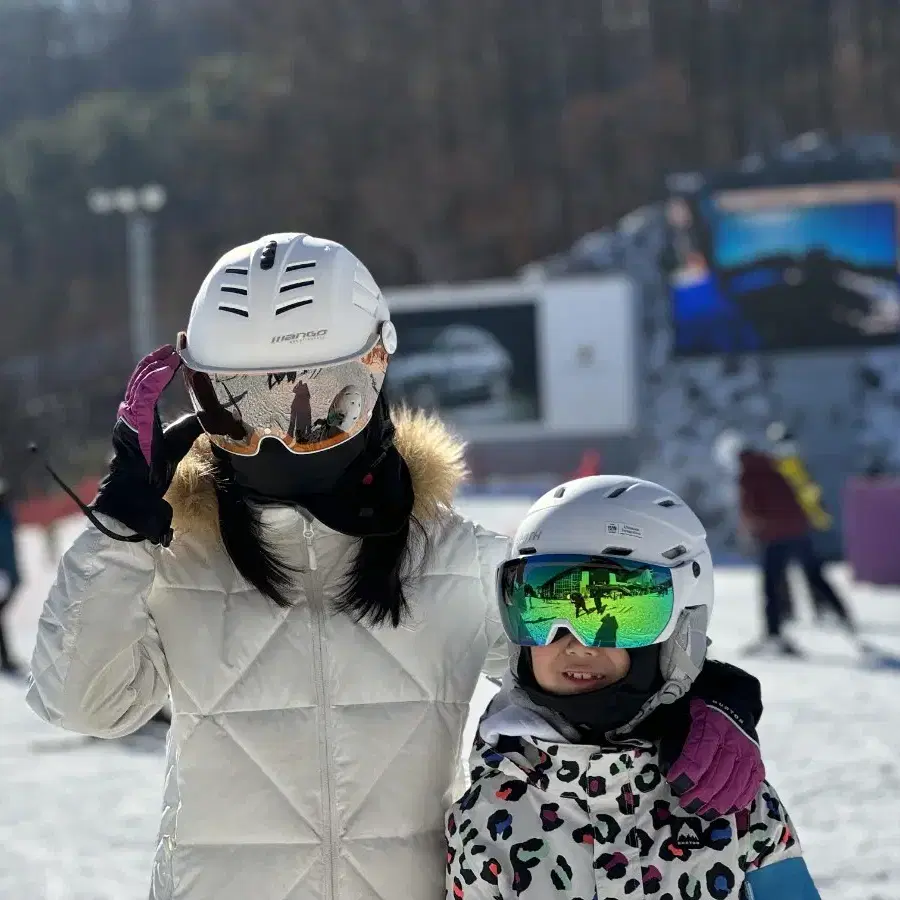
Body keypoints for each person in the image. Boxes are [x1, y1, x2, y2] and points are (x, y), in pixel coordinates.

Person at [28, 233, 767, 900]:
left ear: (377, 372)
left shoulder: (454, 562)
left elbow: (593, 663)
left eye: (317, 406)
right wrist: (119, 530)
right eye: (237, 409)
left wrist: (709, 697)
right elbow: (85, 704)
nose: (276, 442)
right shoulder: (173, 561)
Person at [447, 476, 821, 899]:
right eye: (543, 606)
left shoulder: (731, 802)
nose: (576, 642)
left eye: (617, 611)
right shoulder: (490, 813)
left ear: (681, 626)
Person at [738, 443, 856, 656]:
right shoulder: (774, 465)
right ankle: (842, 614)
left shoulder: (748, 474)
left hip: (774, 534)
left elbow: (751, 508)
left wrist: (750, 530)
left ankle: (774, 635)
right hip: (798, 530)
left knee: (771, 584)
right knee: (814, 574)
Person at [0, 477, 22, 675]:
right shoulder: (6, 517)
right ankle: (5, 661)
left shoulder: (6, 516)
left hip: (8, 575)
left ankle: (6, 661)